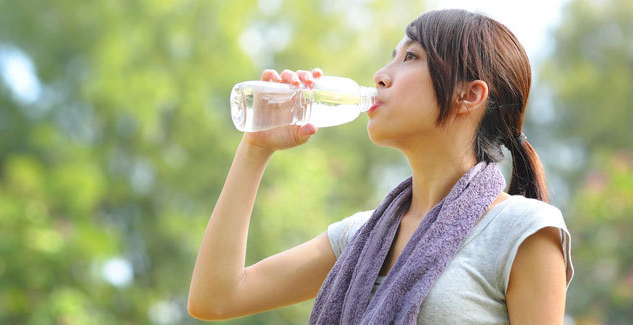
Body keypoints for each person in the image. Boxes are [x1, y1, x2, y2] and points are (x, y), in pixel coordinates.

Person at [187, 9, 573, 324]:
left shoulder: (523, 231)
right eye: (392, 56)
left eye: (410, 57)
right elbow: (215, 298)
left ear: (468, 95)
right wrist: (256, 147)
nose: (380, 75)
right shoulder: (359, 236)